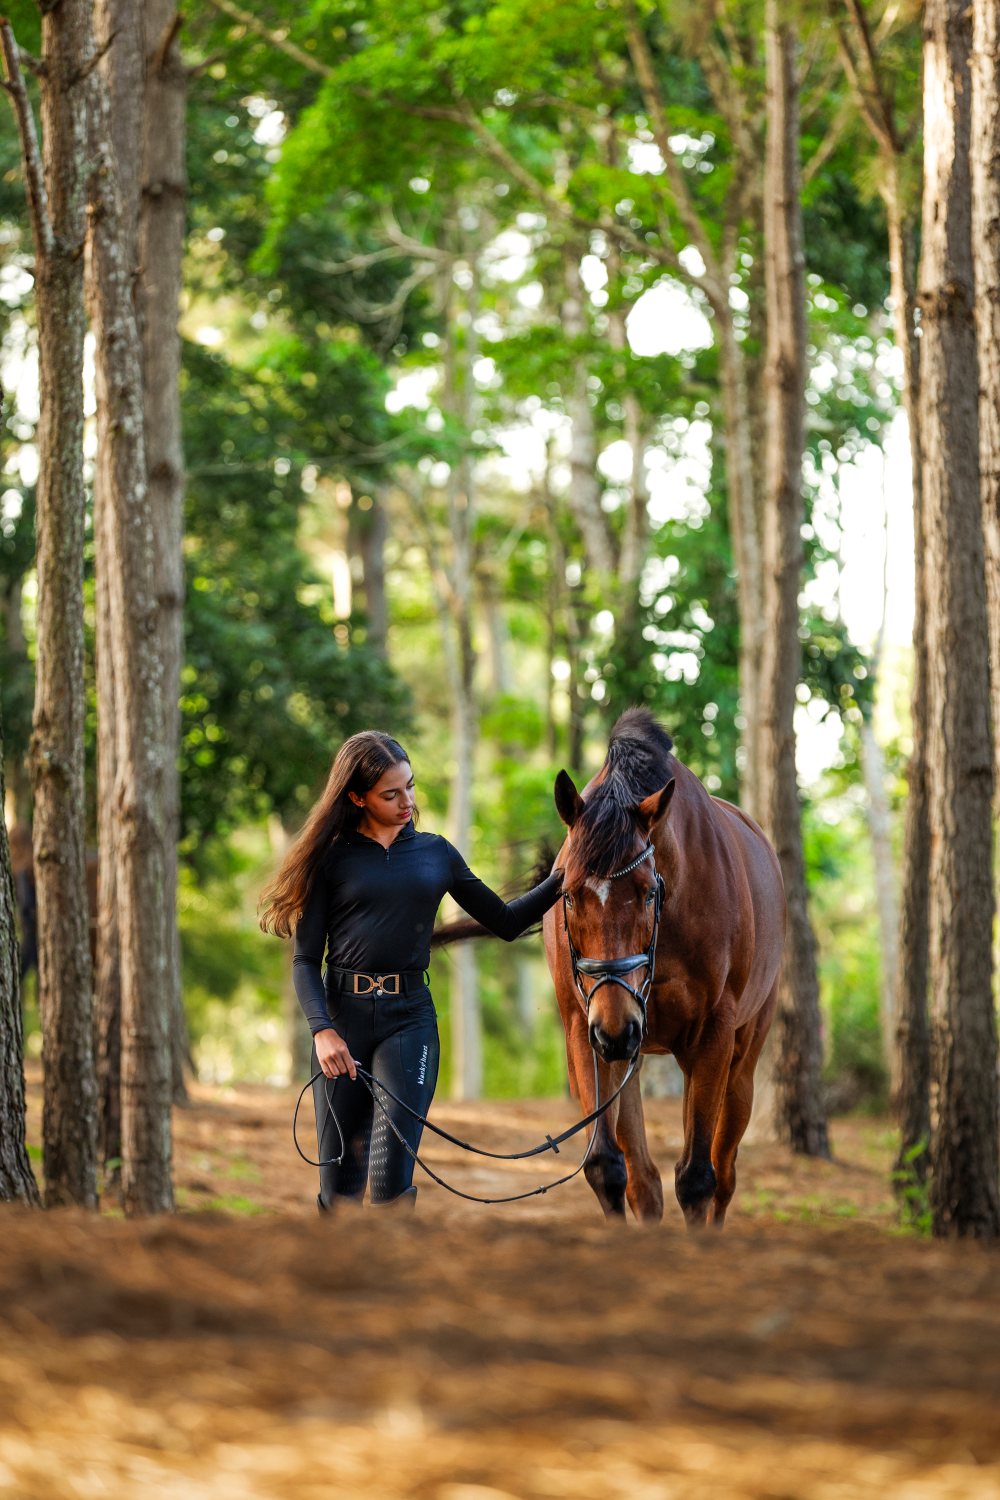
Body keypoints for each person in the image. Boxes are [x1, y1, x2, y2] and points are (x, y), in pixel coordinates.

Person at [260, 730, 563, 1213]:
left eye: (411, 787)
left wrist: (564, 877)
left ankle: (391, 1283)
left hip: (410, 1022)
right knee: (339, 1191)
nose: (407, 801)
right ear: (357, 797)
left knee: (388, 1179)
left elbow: (505, 923)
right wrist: (322, 1032)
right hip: (342, 1022)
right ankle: (333, 1283)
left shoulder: (435, 853)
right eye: (390, 793)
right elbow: (304, 961)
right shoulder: (332, 859)